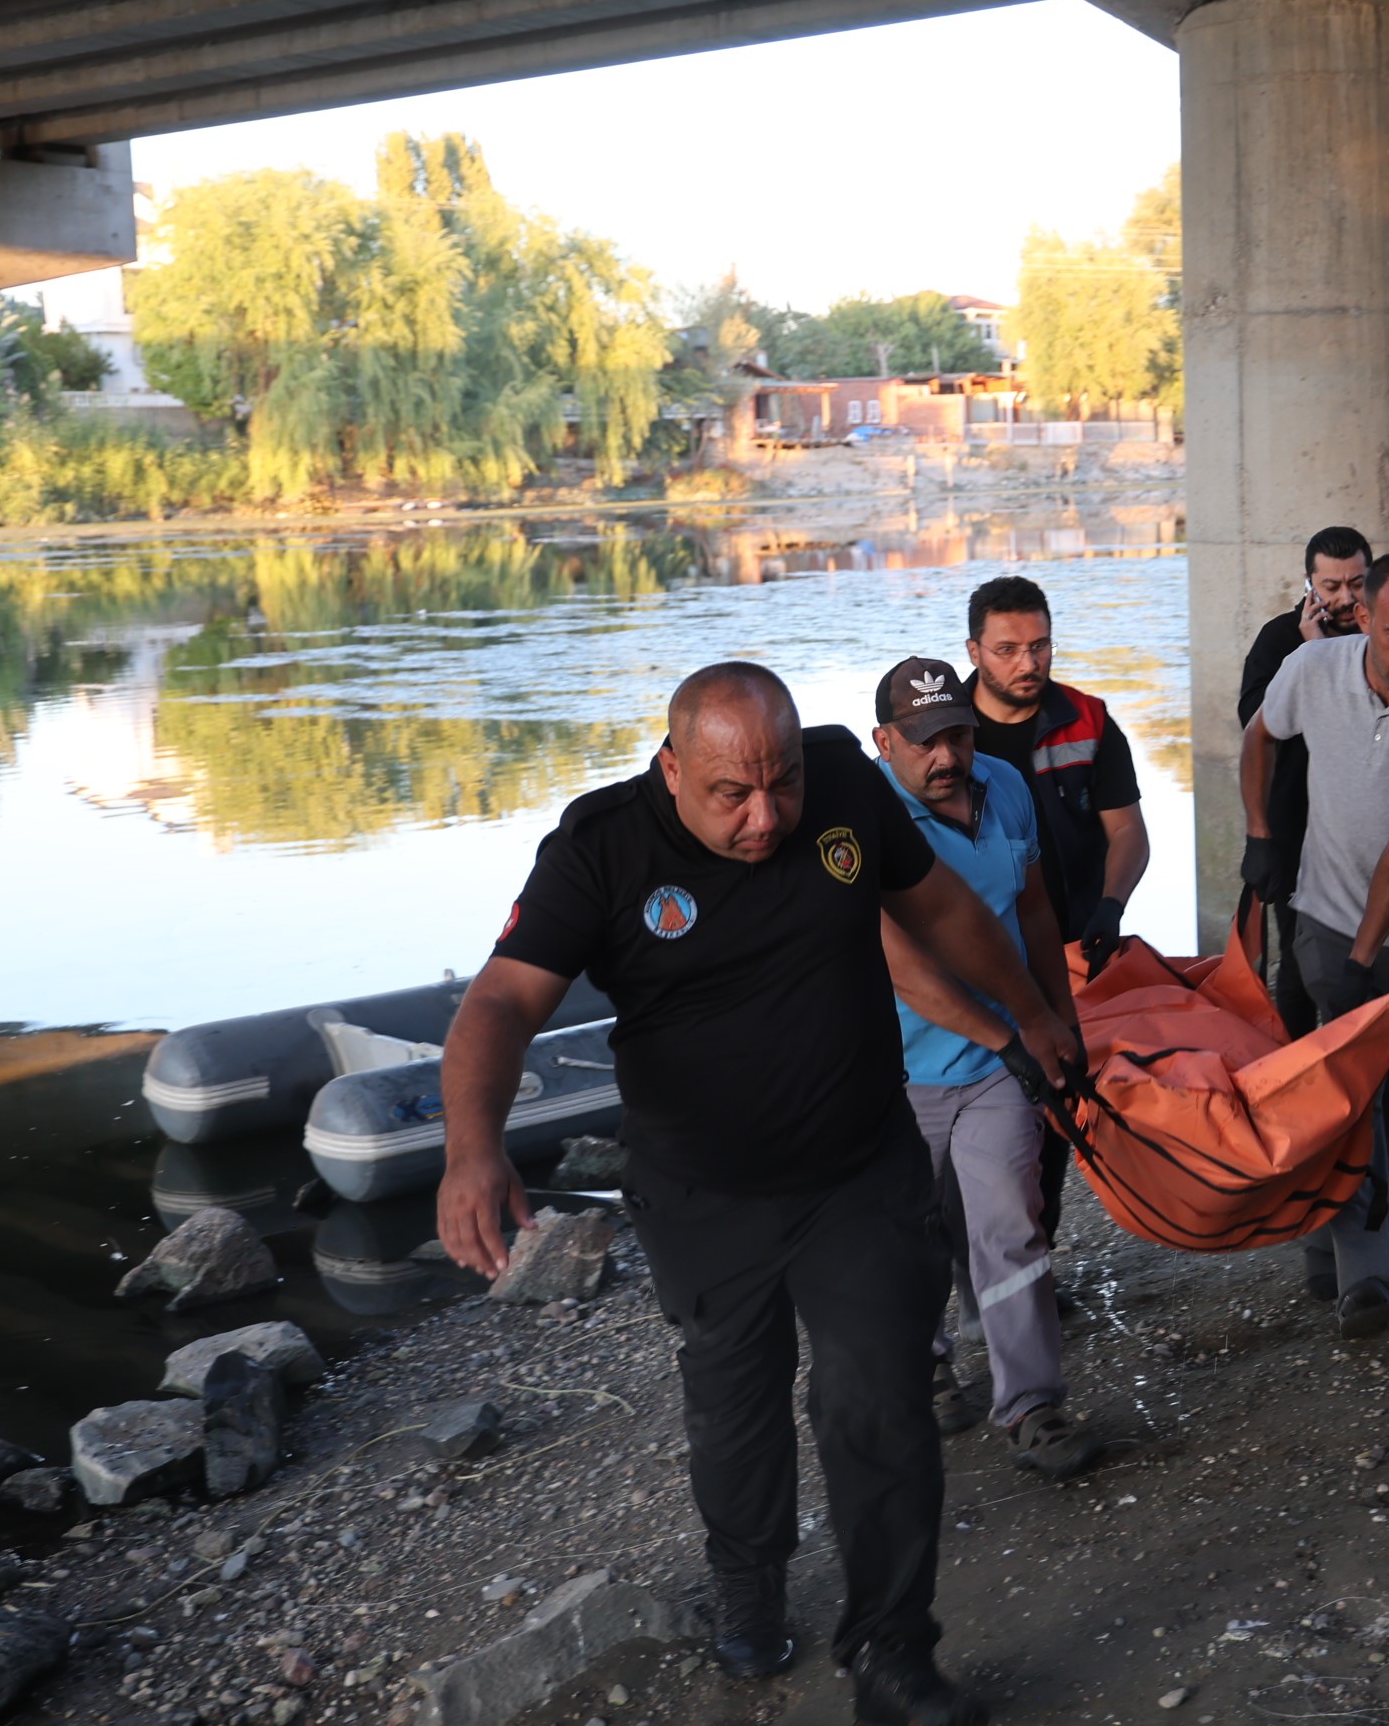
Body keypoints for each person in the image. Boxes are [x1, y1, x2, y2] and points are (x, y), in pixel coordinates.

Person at [437, 663, 1075, 1723]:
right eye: (733, 792)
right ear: (673, 765)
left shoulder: (841, 783)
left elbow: (941, 908)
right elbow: (504, 998)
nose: (766, 815)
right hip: (703, 1196)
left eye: (778, 783)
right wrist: (472, 1146)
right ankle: (751, 1578)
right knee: (735, 1410)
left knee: (878, 1400)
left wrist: (1031, 1013)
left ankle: (893, 1653)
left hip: (858, 1171)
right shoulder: (601, 848)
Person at [869, 656, 1105, 1479]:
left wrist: (1058, 1023)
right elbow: (908, 969)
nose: (947, 758)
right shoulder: (860, 822)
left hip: (997, 1063)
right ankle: (925, 1366)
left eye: (958, 736)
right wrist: (1018, 1036)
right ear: (884, 743)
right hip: (892, 1073)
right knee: (908, 1238)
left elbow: (1034, 908)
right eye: (926, 743)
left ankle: (1032, 1406)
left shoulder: (1003, 785)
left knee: (1012, 1222)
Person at [1239, 547, 1389, 1336]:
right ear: (1363, 616)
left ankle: (1320, 1236)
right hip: (1325, 922)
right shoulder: (1312, 670)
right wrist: (1262, 833)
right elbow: (1258, 737)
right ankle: (1365, 1279)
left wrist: (1372, 960)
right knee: (1353, 1103)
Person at [961, 575, 1148, 1282]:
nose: (1027, 663)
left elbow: (1128, 832)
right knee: (986, 1134)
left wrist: (1110, 905)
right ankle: (984, 1285)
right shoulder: (941, 734)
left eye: (1038, 646)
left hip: (1072, 955)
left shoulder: (1089, 722)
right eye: (1007, 649)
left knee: (1055, 1122)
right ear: (974, 650)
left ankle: (1033, 1271)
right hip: (974, 963)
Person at [1238, 526, 1372, 1034]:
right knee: (1297, 960)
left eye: (1356, 584)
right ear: (1309, 583)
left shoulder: (1384, 638)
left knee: (1367, 954)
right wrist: (1309, 657)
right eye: (1331, 586)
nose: (1344, 599)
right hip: (1296, 826)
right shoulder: (1279, 638)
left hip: (1366, 827)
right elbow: (1256, 722)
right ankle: (1298, 1066)